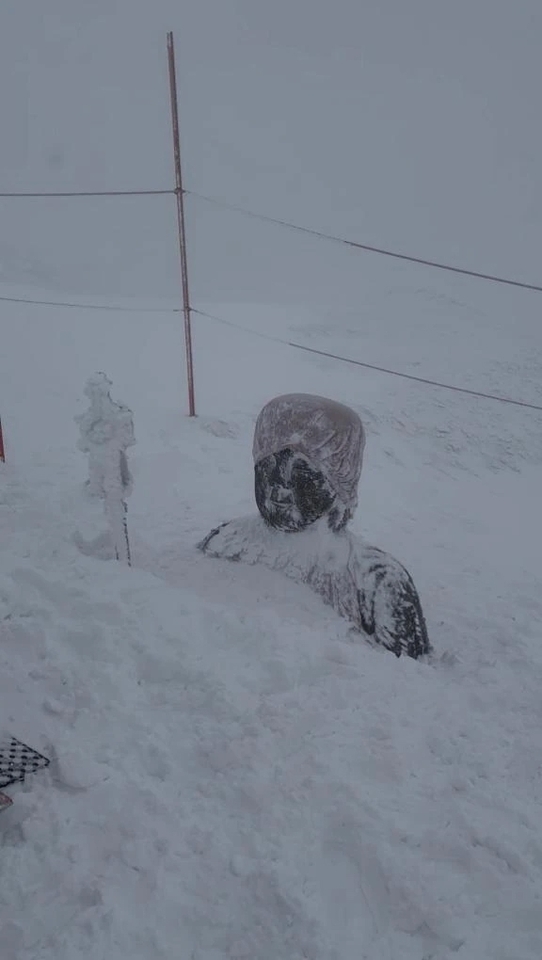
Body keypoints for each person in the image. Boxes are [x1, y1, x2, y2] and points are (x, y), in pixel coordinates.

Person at [199, 393, 430, 659]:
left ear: (340, 482)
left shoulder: (375, 581)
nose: (280, 489)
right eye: (268, 469)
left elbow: (409, 679)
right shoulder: (225, 541)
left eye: (301, 474)